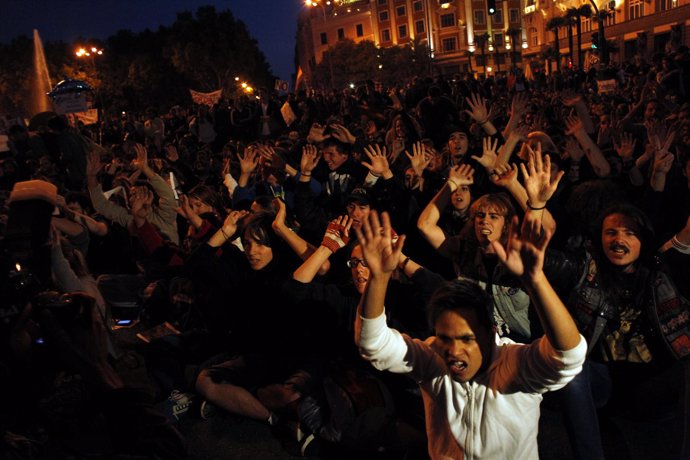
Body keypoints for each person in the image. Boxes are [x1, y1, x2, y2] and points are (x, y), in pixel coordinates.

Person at [354, 210, 586, 459]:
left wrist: (535, 279)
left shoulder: (515, 364)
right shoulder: (432, 360)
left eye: (467, 339)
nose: (453, 352)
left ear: (490, 332)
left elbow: (568, 355)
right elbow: (373, 343)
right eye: (444, 338)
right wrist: (378, 279)